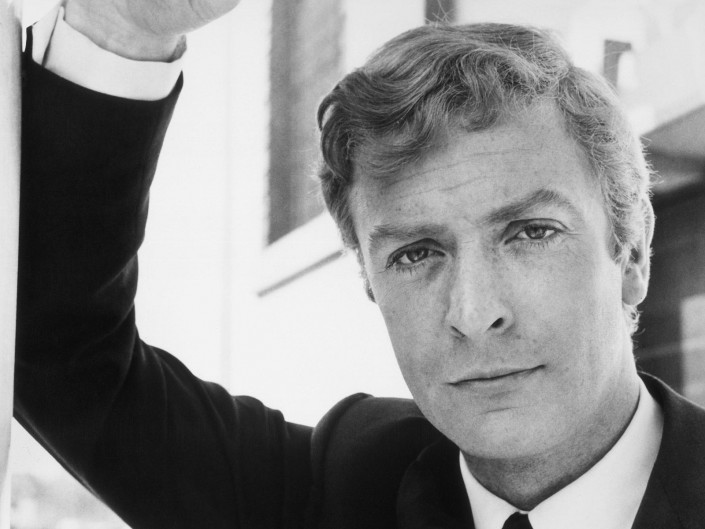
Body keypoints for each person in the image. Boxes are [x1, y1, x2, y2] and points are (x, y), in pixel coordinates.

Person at [15, 0, 705, 528]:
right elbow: (61, 356)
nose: (474, 312)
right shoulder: (345, 486)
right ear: (370, 283)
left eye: (529, 232)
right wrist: (123, 27)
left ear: (631, 252)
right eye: (416, 252)